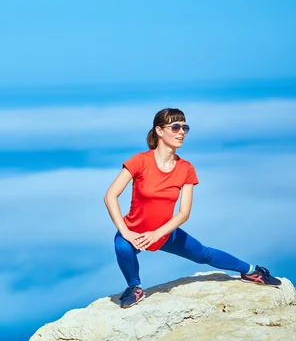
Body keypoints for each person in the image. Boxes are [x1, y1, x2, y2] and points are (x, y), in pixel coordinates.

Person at [104, 108, 281, 309]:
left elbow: (184, 213)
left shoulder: (186, 168)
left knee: (203, 255)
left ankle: (252, 271)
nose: (182, 132)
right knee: (121, 246)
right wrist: (126, 232)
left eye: (185, 128)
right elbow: (110, 196)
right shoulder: (140, 161)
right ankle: (135, 288)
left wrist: (156, 234)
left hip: (165, 233)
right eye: (176, 127)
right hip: (134, 231)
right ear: (159, 131)